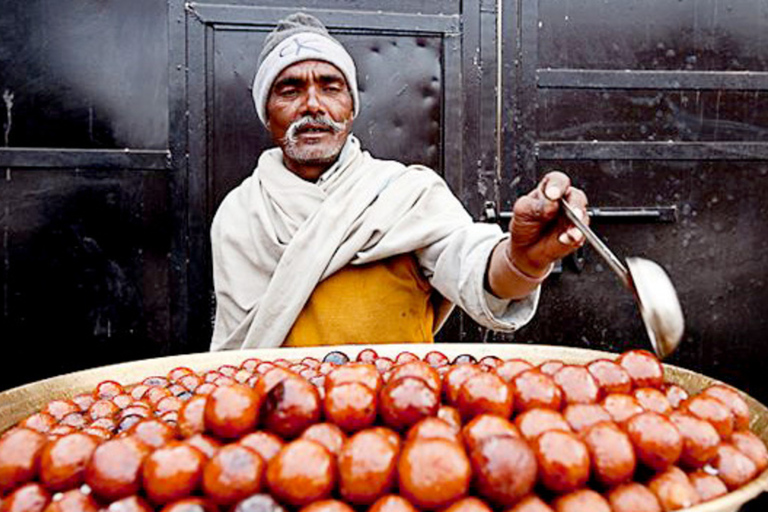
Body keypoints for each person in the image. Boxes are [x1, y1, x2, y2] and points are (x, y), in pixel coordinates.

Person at [209, 13, 588, 351]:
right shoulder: (241, 216)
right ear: (266, 113)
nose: (312, 104)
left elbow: (472, 264)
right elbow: (238, 355)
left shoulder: (405, 195)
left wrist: (522, 260)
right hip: (285, 421)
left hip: (396, 416)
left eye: (330, 87)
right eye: (289, 90)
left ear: (351, 107)